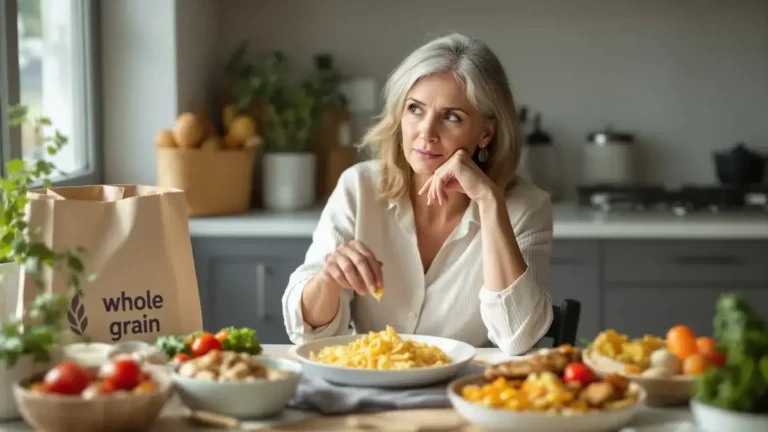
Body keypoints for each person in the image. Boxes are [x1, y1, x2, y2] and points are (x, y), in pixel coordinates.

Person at [281, 33, 553, 356]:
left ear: (486, 133)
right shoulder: (359, 188)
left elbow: (519, 338)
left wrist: (489, 201)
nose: (426, 133)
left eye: (451, 117)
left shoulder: (526, 207)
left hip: (462, 395)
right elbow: (306, 335)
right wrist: (328, 279)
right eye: (415, 109)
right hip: (371, 386)